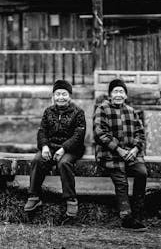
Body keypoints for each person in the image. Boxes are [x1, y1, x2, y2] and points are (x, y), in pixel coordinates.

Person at [24, 80, 86, 217]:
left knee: (64, 163)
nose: (61, 97)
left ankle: (70, 199)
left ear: (70, 96)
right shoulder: (48, 112)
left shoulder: (78, 112)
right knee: (37, 160)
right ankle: (34, 196)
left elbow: (78, 135)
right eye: (57, 94)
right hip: (51, 146)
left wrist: (64, 149)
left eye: (64, 94)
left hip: (71, 149)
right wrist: (45, 146)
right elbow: (42, 132)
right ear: (53, 96)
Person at [93, 78, 147, 230]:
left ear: (126, 95)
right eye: (115, 91)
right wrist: (119, 149)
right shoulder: (102, 109)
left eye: (121, 92)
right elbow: (100, 134)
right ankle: (126, 217)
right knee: (121, 181)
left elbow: (140, 133)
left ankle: (138, 212)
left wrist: (135, 149)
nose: (118, 94)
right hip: (110, 155)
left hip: (131, 154)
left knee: (142, 173)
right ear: (110, 95)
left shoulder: (131, 111)